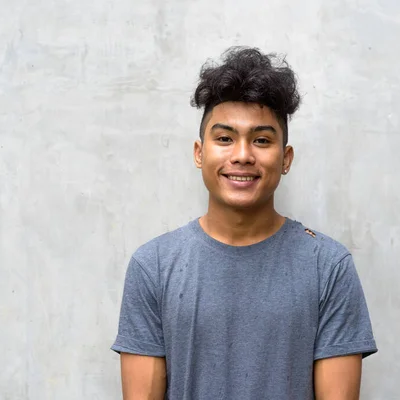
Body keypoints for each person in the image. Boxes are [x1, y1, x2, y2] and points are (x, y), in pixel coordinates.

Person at [111, 47, 378, 400]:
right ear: (199, 152)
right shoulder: (154, 266)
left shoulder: (328, 266)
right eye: (224, 138)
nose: (242, 155)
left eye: (262, 140)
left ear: (285, 159)